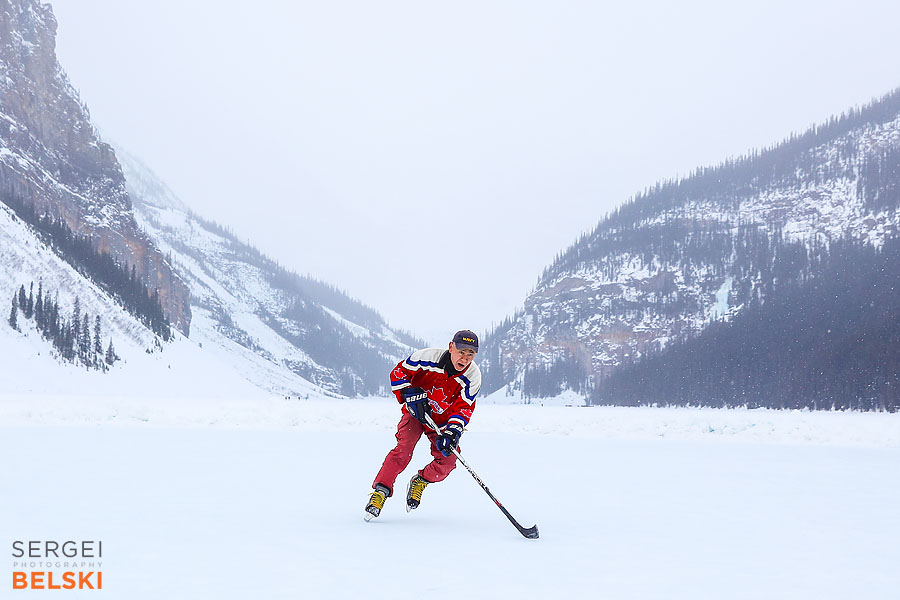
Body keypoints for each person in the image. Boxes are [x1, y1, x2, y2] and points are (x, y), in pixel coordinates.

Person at [365, 329, 482, 521]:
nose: (465, 358)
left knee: (448, 461)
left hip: (442, 422)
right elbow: (397, 373)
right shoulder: (426, 357)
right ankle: (381, 492)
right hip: (415, 415)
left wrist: (453, 431)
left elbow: (464, 408)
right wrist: (409, 393)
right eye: (462, 351)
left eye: (471, 354)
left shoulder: (473, 376)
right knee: (403, 451)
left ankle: (420, 480)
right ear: (451, 347)